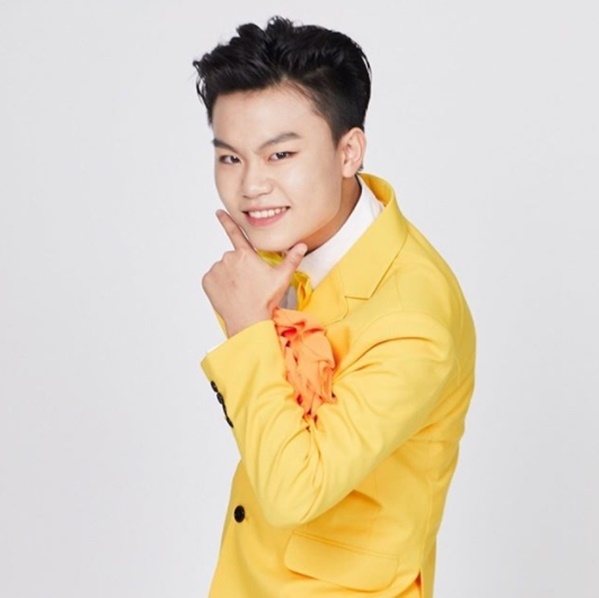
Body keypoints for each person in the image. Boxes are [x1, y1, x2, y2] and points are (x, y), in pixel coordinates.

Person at [193, 16, 475, 597]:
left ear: (349, 152)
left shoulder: (412, 319)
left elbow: (294, 491)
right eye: (230, 158)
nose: (250, 187)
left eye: (280, 154)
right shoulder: (287, 253)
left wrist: (248, 331)